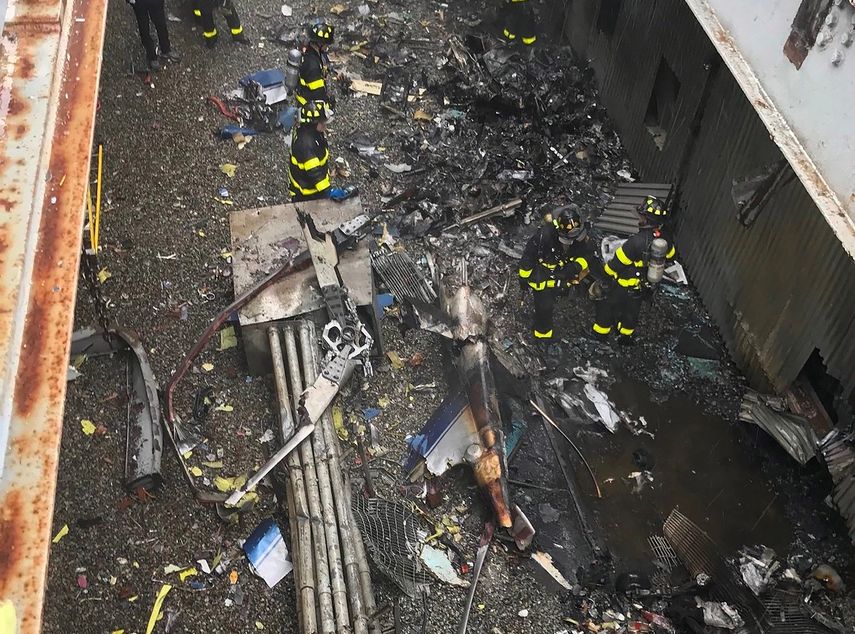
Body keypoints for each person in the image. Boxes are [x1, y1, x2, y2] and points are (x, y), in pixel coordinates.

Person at [592, 196, 676, 344]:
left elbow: (614, 266)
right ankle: (625, 338)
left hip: (623, 284)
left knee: (607, 307)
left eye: (641, 216)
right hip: (643, 285)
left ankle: (600, 336)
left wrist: (602, 279)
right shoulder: (664, 239)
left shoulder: (635, 242)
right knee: (632, 312)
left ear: (646, 218)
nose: (639, 219)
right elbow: (670, 256)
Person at [518, 207, 591, 340]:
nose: (572, 242)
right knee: (544, 307)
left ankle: (559, 294)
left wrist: (575, 267)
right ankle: (542, 335)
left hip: (563, 272)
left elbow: (586, 255)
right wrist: (523, 278)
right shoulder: (544, 236)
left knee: (558, 294)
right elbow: (528, 257)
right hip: (544, 275)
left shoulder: (579, 235)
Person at [289, 101, 332, 202]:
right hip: (307, 193)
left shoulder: (311, 133)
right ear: (313, 123)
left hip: (310, 186)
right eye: (322, 122)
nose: (325, 124)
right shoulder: (306, 143)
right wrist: (327, 190)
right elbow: (313, 171)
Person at [126, 0, 180, 71]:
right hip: (139, 3)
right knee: (144, 28)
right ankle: (152, 57)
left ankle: (166, 49)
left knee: (161, 24)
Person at [296, 21, 335, 108]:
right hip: (307, 103)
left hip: (305, 95)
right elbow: (318, 92)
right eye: (326, 44)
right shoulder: (312, 65)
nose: (327, 47)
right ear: (320, 44)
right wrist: (327, 106)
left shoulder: (312, 53)